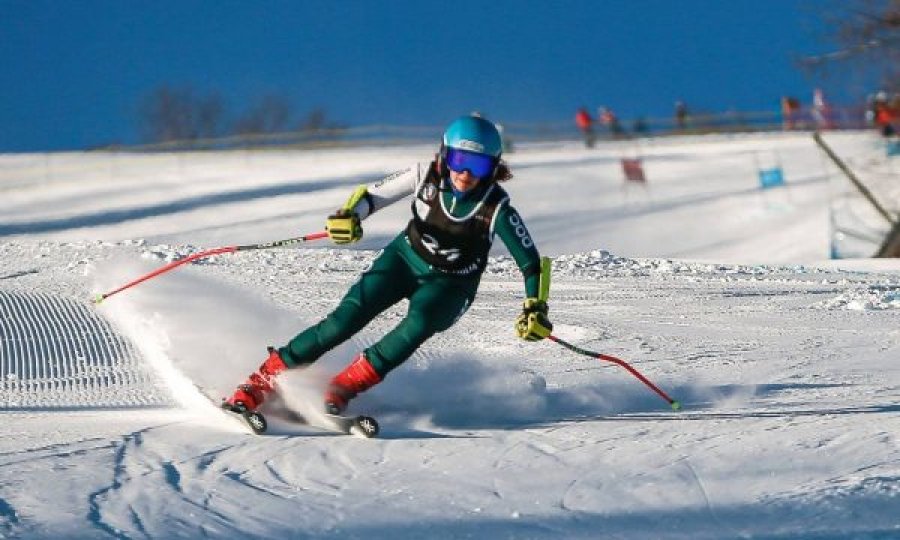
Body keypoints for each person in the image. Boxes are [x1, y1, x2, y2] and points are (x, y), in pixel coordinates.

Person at [224, 115, 553, 416]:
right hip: (403, 259)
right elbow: (371, 196)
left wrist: (535, 307)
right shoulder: (425, 174)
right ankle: (261, 381)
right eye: (459, 160)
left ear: (493, 168)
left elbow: (531, 263)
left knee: (420, 321)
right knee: (344, 320)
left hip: (451, 284)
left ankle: (343, 388)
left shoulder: (496, 208)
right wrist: (350, 216)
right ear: (444, 155)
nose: (465, 174)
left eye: (478, 166)